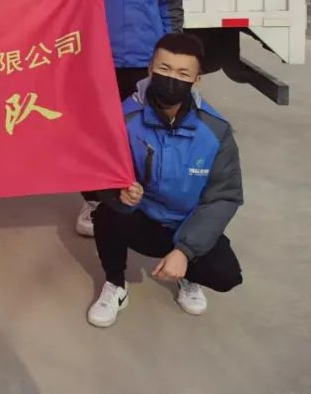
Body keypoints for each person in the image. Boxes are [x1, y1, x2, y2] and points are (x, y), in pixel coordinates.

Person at [86, 33, 243, 328]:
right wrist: (118, 191)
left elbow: (224, 196)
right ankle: (115, 284)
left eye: (183, 73)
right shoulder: (124, 118)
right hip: (143, 217)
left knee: (226, 275)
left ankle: (187, 276)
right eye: (164, 69)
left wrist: (185, 251)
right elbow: (100, 170)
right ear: (150, 69)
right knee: (107, 215)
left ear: (197, 80)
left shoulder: (216, 130)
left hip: (186, 222)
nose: (172, 79)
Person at [65, 0, 185, 237]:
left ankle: (141, 198)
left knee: (144, 133)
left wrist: (171, 56)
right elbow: (66, 4)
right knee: (96, 133)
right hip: (99, 62)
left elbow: (170, 6)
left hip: (146, 63)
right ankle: (94, 201)